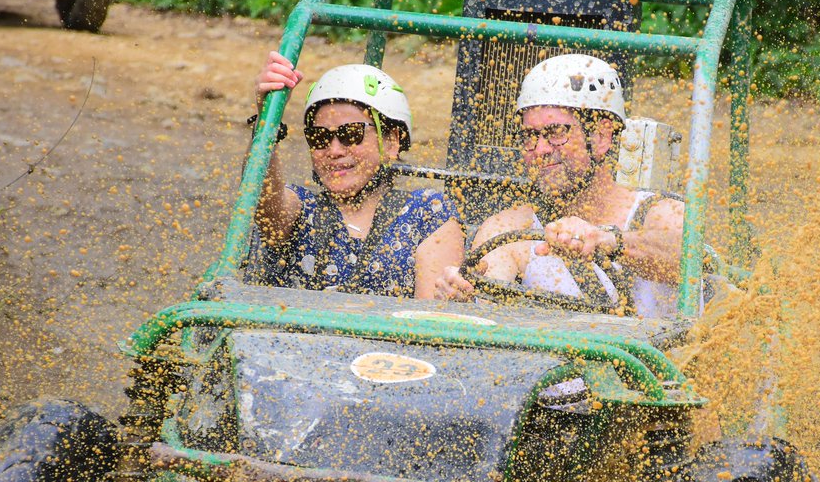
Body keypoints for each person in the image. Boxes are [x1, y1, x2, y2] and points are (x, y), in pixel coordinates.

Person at [433, 53, 684, 317]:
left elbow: (691, 260)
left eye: (556, 133)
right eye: (530, 137)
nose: (540, 149)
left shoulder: (660, 213)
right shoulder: (509, 229)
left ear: (601, 136)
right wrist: (463, 299)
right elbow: (485, 314)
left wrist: (607, 240)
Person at [253, 51, 462, 299]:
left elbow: (427, 318)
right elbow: (263, 201)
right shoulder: (300, 209)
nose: (334, 150)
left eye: (351, 134)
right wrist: (266, 120)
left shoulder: (427, 213)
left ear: (392, 142)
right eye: (319, 137)